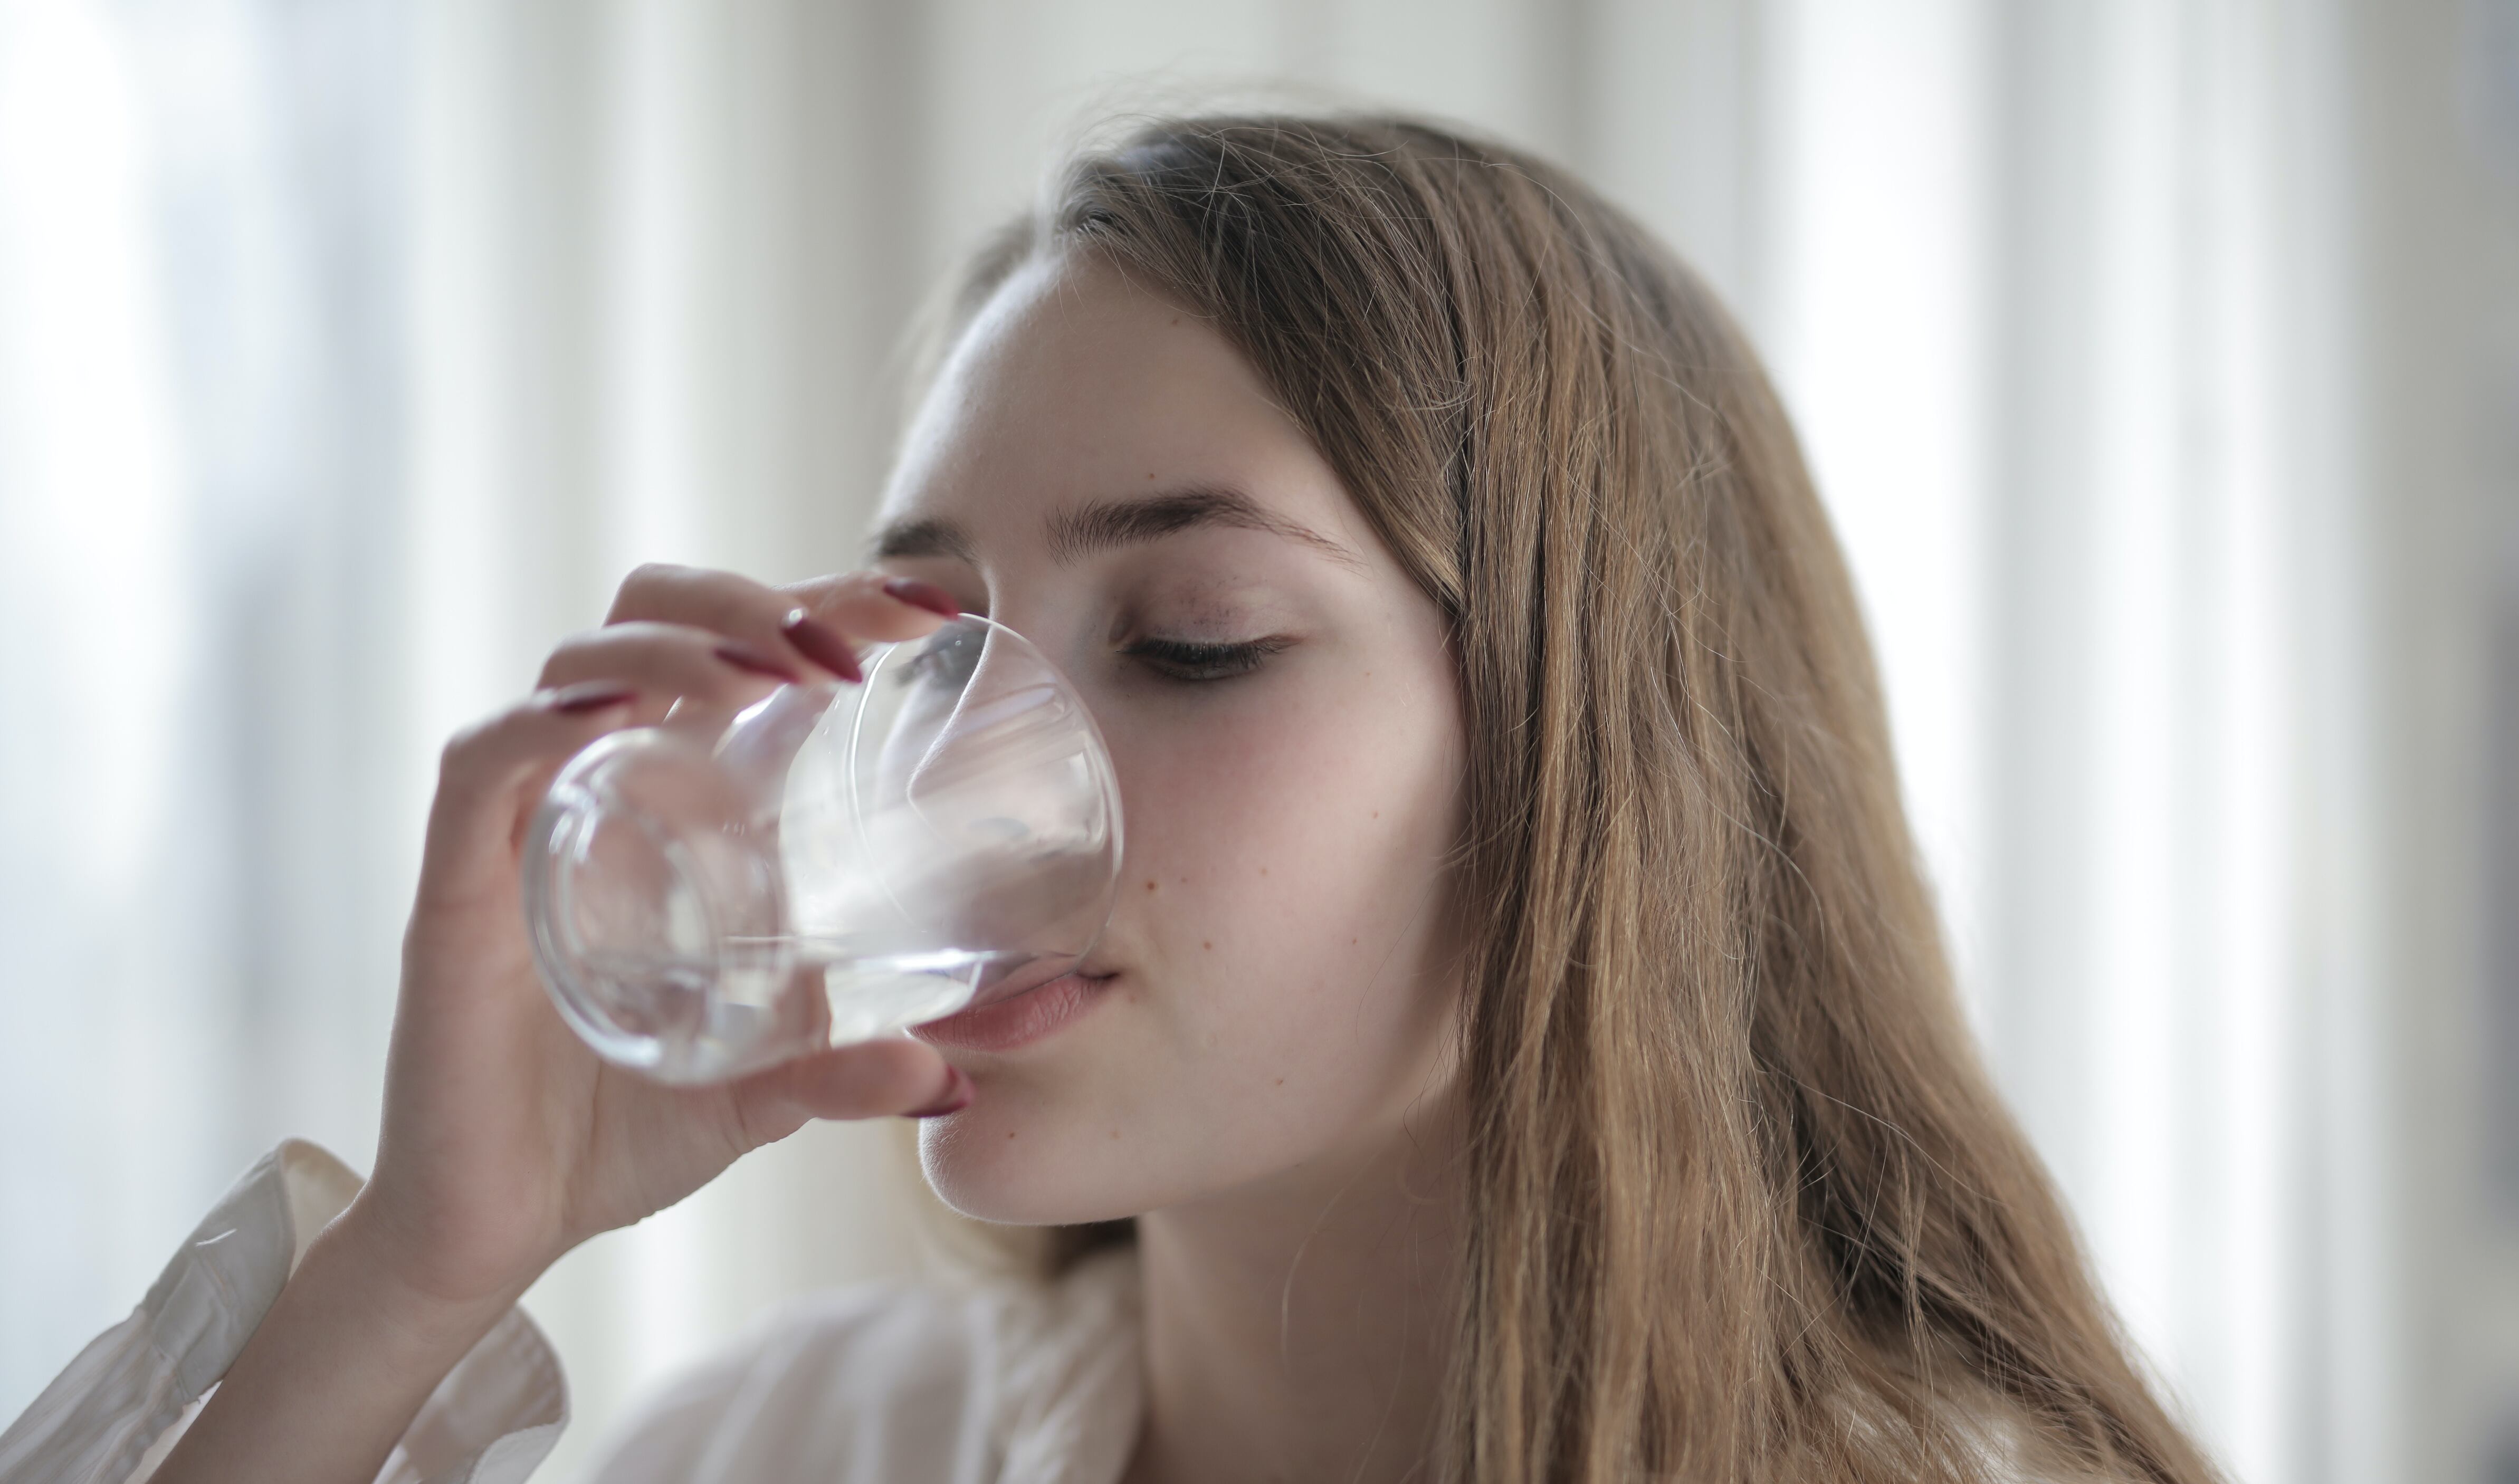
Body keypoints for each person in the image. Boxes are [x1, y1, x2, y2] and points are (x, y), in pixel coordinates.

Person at [2, 113, 2222, 1484]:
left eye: (1189, 641)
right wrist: (417, 1262)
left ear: (1586, 766)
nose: (957, 769)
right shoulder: (808, 1448)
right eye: (918, 637)